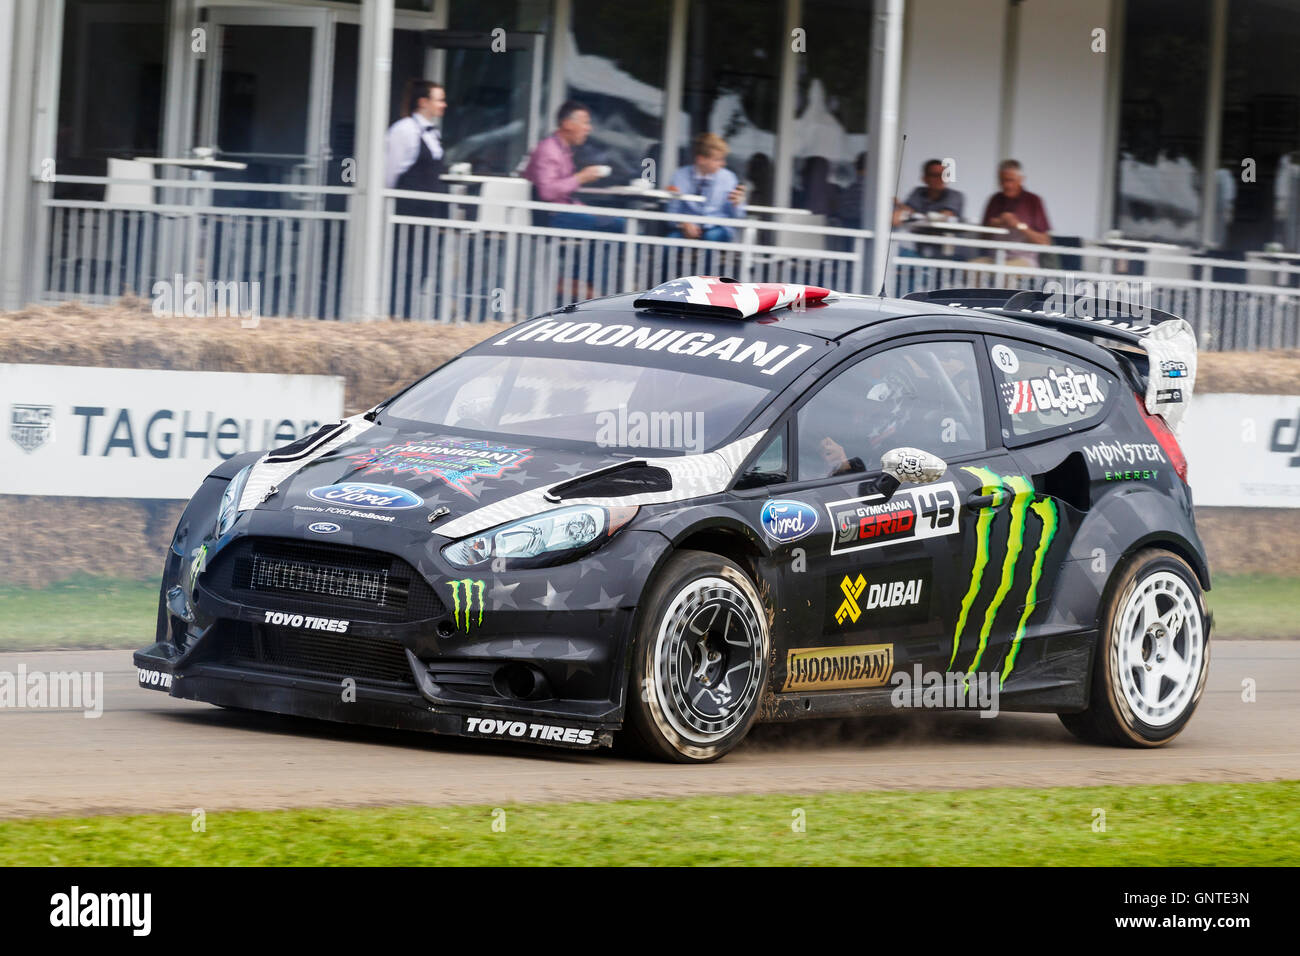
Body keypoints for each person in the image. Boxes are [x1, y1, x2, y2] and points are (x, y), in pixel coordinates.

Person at [522, 100, 621, 233]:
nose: (589, 128)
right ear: (567, 124)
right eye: (585, 122)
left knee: (612, 221)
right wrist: (581, 178)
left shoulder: (562, 150)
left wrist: (589, 210)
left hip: (563, 213)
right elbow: (547, 192)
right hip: (553, 217)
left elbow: (566, 197)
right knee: (619, 225)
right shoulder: (548, 150)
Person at [666, 133, 747, 241]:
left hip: (717, 227)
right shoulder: (680, 176)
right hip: (686, 228)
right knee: (669, 243)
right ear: (701, 159)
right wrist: (683, 223)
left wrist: (737, 204)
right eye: (718, 159)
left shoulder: (728, 178)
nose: (723, 164)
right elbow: (672, 211)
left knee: (710, 237)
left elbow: (739, 216)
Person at [385, 80, 447, 217]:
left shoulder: (434, 133)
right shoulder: (404, 129)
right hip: (408, 211)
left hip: (430, 211)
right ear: (423, 102)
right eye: (440, 100)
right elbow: (390, 171)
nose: (444, 105)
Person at [979, 159, 1052, 266]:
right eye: (1002, 180)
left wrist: (1018, 225)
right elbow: (982, 238)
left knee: (1004, 271)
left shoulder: (1033, 201)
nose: (1006, 185)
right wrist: (995, 224)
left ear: (1021, 180)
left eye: (1010, 180)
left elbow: (1045, 242)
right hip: (994, 259)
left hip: (1023, 259)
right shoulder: (994, 200)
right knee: (970, 267)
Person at [893, 158, 965, 225]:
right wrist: (899, 205)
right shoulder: (918, 191)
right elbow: (907, 211)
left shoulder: (955, 196)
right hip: (919, 235)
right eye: (935, 175)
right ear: (925, 178)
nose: (940, 179)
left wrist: (908, 212)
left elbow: (943, 217)